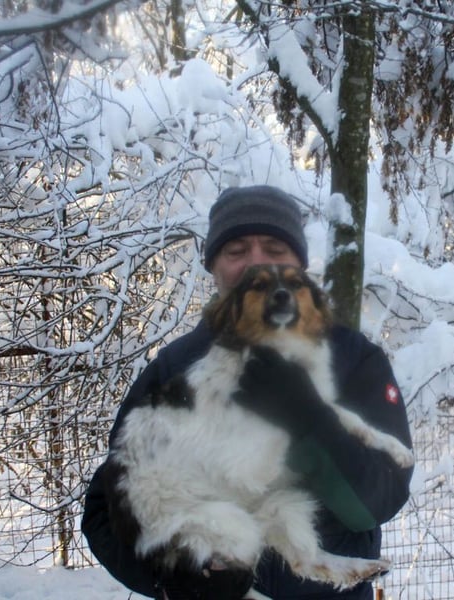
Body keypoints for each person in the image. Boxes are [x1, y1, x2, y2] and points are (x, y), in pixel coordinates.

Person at [81, 185, 415, 600]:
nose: (256, 262)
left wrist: (310, 420)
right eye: (236, 250)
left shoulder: (355, 360)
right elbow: (106, 509)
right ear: (215, 267)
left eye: (274, 248)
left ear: (298, 264)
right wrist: (172, 577)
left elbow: (375, 503)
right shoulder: (174, 369)